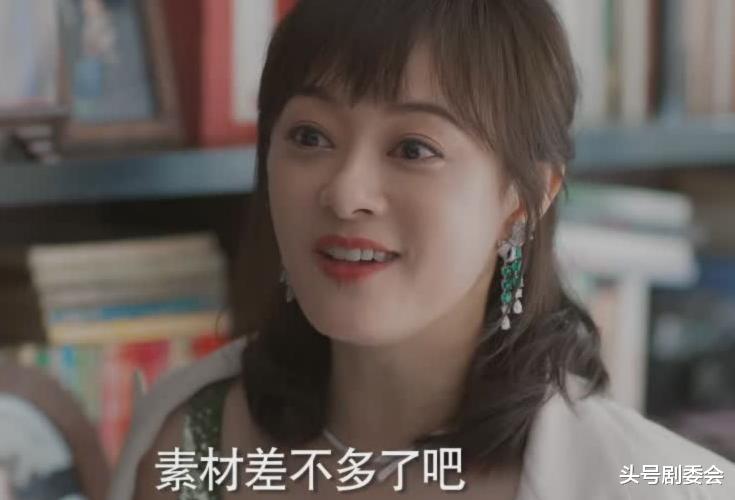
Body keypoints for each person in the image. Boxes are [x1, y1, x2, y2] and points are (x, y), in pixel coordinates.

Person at [109, 1, 735, 498]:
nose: (346, 192)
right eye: (310, 136)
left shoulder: (651, 481)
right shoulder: (191, 447)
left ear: (524, 198)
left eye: (413, 149)